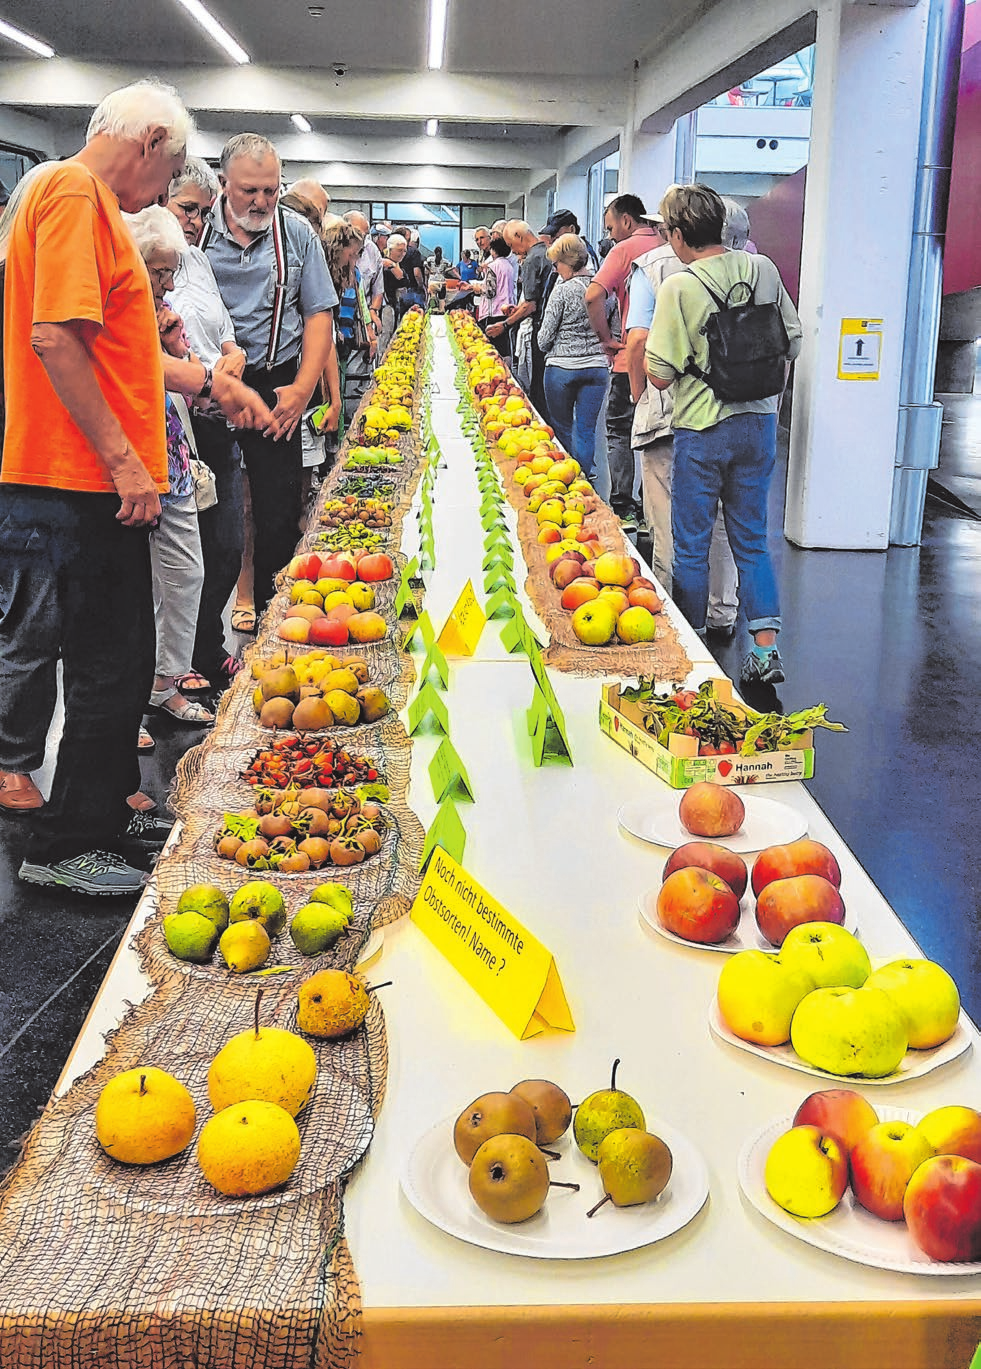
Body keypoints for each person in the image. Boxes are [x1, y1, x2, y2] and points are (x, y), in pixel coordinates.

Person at [0, 80, 272, 894]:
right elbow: (56, 340)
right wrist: (124, 461)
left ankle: (105, 814)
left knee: (120, 659)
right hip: (70, 479)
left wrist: (202, 381)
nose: (171, 189)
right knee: (99, 663)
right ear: (151, 140)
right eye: (176, 168)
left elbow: (116, 348)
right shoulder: (71, 191)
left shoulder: (82, 204)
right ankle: (62, 846)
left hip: (91, 476)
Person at [645, 183, 802, 687]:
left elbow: (660, 373)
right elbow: (792, 344)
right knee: (751, 540)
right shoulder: (764, 269)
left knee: (691, 546)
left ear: (677, 233)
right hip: (759, 424)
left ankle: (693, 651)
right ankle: (764, 651)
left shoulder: (680, 286)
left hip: (703, 428)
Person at [201, 133, 337, 615]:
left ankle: (270, 619)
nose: (261, 202)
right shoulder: (196, 233)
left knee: (278, 513)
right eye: (248, 191)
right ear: (223, 185)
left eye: (270, 190)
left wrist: (303, 389)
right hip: (206, 389)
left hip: (276, 382)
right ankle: (201, 646)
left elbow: (319, 313)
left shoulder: (297, 234)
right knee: (213, 516)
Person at [623, 211, 739, 627]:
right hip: (731, 412)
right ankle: (722, 611)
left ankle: (677, 620)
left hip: (671, 408)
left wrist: (641, 395)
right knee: (723, 520)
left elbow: (637, 340)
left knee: (668, 516)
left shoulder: (653, 269)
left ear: (674, 231)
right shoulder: (748, 267)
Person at [125, 205, 214, 728]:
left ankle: (167, 682)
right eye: (156, 270)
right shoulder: (116, 309)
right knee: (137, 592)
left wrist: (175, 344)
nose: (164, 281)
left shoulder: (163, 312)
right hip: (131, 465)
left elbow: (186, 377)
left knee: (185, 576)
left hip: (173, 457)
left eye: (168, 270)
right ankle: (128, 712)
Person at [165, 158, 249, 690]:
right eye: (185, 209)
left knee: (223, 543)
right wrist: (205, 380)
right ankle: (175, 666)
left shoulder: (196, 262)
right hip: (177, 424)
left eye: (202, 211)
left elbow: (225, 327)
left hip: (215, 421)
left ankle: (203, 644)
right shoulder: (141, 263)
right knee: (178, 555)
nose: (195, 220)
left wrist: (231, 356)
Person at [584, 193, 660, 529]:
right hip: (671, 364)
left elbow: (593, 295)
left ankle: (624, 507)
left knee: (619, 431)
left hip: (630, 358)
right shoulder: (671, 246)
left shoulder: (625, 250)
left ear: (627, 220)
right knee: (661, 441)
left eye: (612, 226)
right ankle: (653, 512)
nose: (610, 234)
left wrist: (605, 338)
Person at [537, 234, 609, 482]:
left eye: (556, 264)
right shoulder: (603, 288)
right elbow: (616, 330)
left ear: (565, 262)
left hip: (563, 368)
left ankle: (566, 480)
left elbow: (544, 339)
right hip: (597, 368)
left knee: (563, 428)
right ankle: (585, 481)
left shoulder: (562, 291)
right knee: (587, 430)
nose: (555, 270)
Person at [489, 220, 553, 418]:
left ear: (519, 236)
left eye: (511, 245)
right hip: (551, 328)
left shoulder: (532, 259)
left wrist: (505, 325)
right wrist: (518, 309)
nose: (512, 251)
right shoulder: (547, 252)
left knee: (537, 390)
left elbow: (532, 305)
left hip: (539, 328)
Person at [478, 235, 518, 358]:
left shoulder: (493, 266)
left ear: (493, 250)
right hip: (507, 310)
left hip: (493, 312)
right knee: (504, 347)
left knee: (492, 350)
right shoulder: (510, 266)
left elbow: (490, 291)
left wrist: (476, 288)